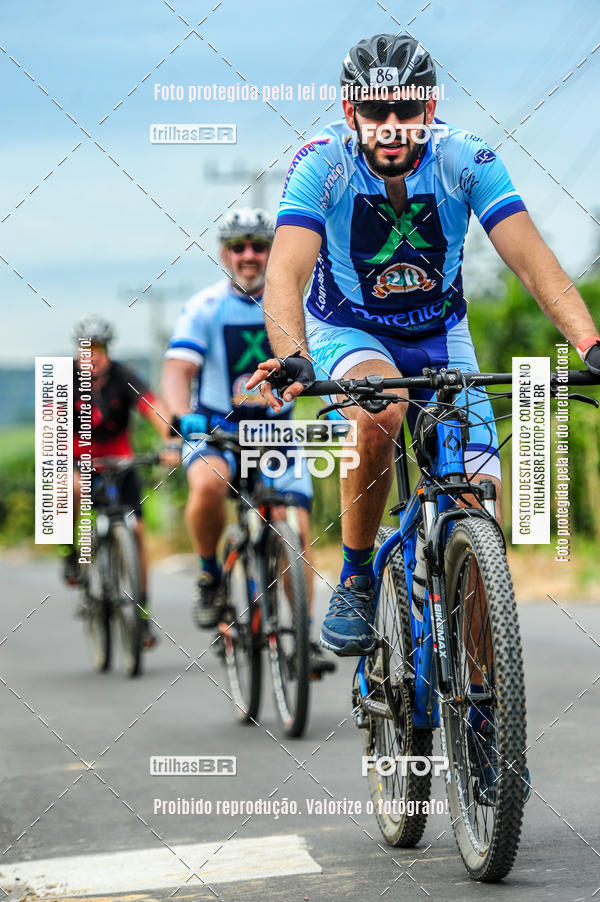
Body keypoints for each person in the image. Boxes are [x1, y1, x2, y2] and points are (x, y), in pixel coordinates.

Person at [247, 34, 600, 795]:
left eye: (407, 109)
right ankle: (355, 572)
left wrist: (589, 340)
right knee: (382, 413)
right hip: (352, 331)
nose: (392, 125)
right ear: (351, 111)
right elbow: (285, 271)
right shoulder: (321, 164)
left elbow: (531, 260)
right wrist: (292, 351)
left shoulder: (466, 158)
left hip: (442, 335)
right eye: (376, 111)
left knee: (479, 502)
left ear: (430, 108)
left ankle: (481, 716)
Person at [160, 207, 335, 678]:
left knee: (295, 525)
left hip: (276, 433)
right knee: (209, 486)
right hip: (218, 429)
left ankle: (301, 634)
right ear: (225, 254)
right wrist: (179, 416)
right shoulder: (204, 307)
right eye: (240, 246)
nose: (250, 255)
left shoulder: (301, 303)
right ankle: (209, 576)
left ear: (272, 252)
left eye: (260, 245)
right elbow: (178, 370)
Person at [67, 316, 176, 647]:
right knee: (70, 488)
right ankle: (69, 552)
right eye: (86, 350)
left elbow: (153, 406)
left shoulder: (122, 376)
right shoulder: (65, 379)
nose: (93, 356)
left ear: (107, 352)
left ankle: (142, 614)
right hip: (78, 457)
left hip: (120, 459)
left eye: (98, 349)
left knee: (138, 533)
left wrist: (170, 440)